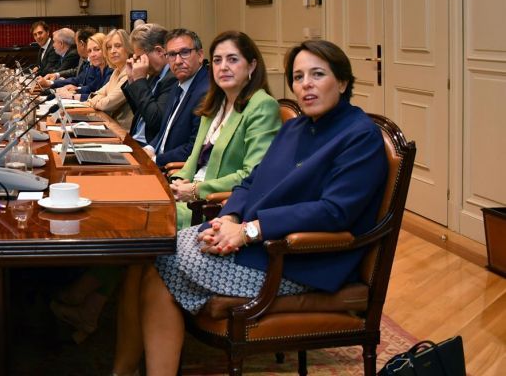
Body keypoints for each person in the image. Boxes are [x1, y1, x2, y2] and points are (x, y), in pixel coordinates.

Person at [112, 39, 388, 376]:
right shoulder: (296, 127)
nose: (306, 85)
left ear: (342, 82)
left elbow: (333, 212)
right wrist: (229, 215)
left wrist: (249, 230)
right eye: (298, 77)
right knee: (155, 264)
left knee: (159, 256)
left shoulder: (360, 136)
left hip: (300, 259)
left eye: (318, 74)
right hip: (257, 242)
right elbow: (251, 180)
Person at [167, 31, 281, 228]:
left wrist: (196, 190)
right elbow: (193, 160)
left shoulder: (262, 105)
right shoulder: (213, 103)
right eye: (218, 61)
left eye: (233, 59)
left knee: (142, 218)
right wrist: (177, 184)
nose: (224, 67)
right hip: (187, 194)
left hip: (212, 206)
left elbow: (251, 174)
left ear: (251, 65)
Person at [143, 28, 210, 167]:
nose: (178, 61)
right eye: (172, 54)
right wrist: (149, 148)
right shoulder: (177, 84)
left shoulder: (206, 91)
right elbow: (165, 129)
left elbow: (194, 148)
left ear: (200, 55)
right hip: (160, 160)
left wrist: (155, 160)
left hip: (176, 171)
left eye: (185, 52)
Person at [122, 24, 176, 144]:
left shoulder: (172, 78)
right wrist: (132, 80)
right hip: (135, 140)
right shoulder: (154, 74)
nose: (139, 62)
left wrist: (140, 80)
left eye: (141, 57)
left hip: (148, 147)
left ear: (159, 51)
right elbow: (140, 112)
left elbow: (154, 121)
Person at [84, 28, 134, 128]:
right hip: (110, 125)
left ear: (128, 48)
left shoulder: (131, 71)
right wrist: (98, 100)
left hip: (124, 132)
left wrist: (95, 102)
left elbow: (107, 104)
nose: (112, 51)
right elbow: (99, 93)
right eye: (109, 47)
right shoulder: (116, 71)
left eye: (118, 46)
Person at [55, 32, 112, 101]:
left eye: (97, 49)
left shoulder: (111, 70)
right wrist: (76, 89)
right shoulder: (99, 69)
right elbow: (90, 88)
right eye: (89, 51)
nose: (92, 54)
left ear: (105, 49)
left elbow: (100, 97)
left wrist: (73, 96)